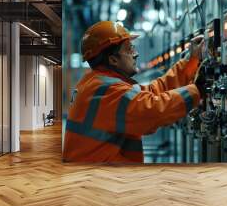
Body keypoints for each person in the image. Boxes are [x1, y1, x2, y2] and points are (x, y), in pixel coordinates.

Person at [63, 21, 205, 163]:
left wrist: (190, 63)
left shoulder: (99, 83)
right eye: (129, 49)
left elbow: (152, 92)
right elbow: (153, 111)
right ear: (113, 60)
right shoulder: (107, 91)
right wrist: (197, 90)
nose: (136, 54)